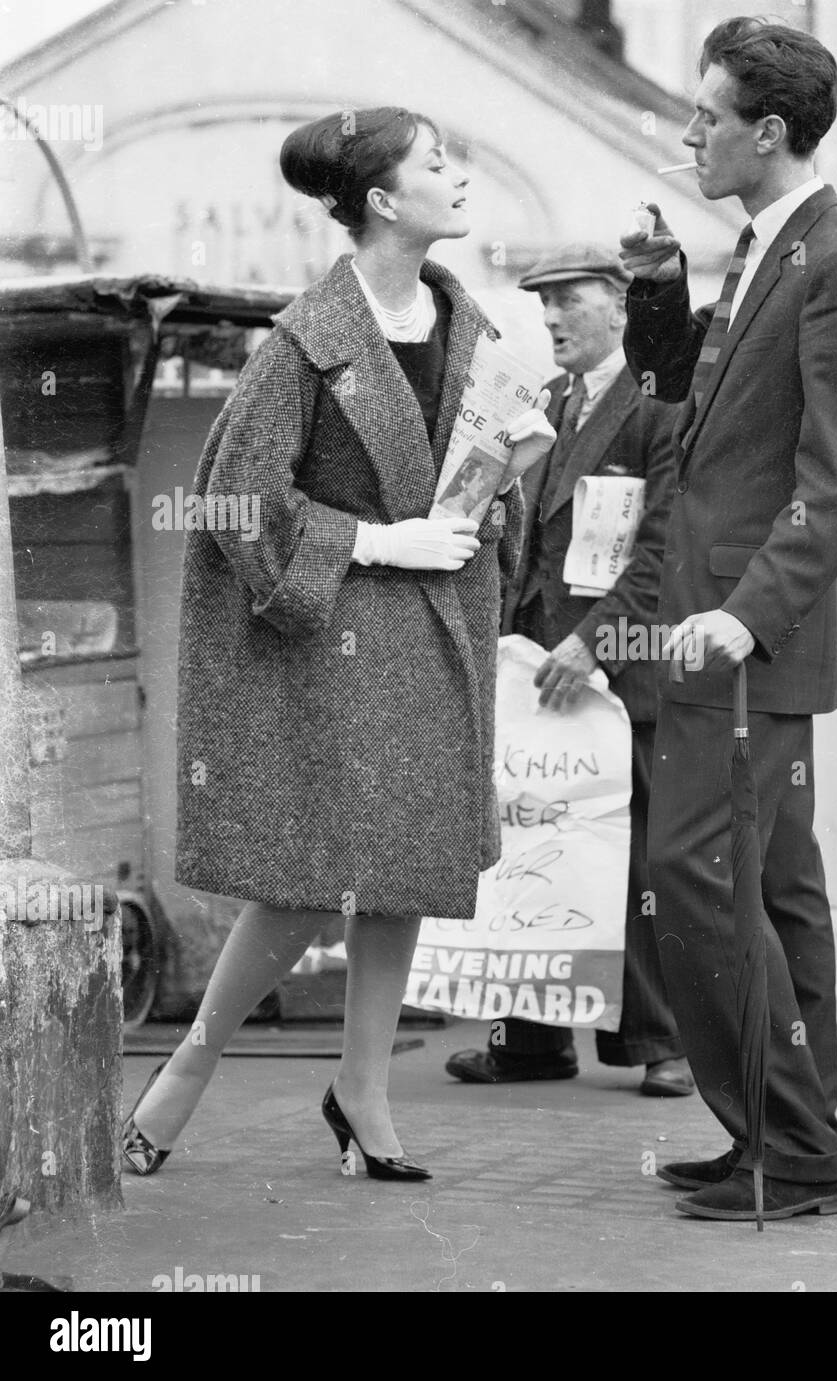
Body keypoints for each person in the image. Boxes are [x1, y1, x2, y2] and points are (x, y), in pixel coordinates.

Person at [121, 107, 555, 1179]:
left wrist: (487, 500)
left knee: (401, 865)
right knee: (316, 876)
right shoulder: (306, 339)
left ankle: (362, 1089)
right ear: (379, 200)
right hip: (335, 638)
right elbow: (234, 499)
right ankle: (192, 1058)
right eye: (435, 166)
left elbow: (473, 503)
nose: (459, 179)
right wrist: (374, 540)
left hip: (437, 635)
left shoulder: (471, 330)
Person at [619, 17, 837, 1220]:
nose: (689, 133)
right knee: (776, 896)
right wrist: (659, 290)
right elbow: (684, 406)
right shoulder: (759, 250)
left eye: (707, 115)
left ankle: (787, 1147)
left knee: (700, 881)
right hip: (715, 631)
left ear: (767, 129)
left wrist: (743, 616)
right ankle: (785, 1146)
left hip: (739, 640)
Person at [445, 244, 692, 1096]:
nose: (550, 319)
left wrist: (597, 641)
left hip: (617, 665)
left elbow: (665, 542)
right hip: (536, 663)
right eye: (542, 304)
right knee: (530, 840)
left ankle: (663, 1045)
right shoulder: (548, 399)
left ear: (622, 304)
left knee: (635, 854)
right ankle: (529, 1039)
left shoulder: (662, 400)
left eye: (569, 301)